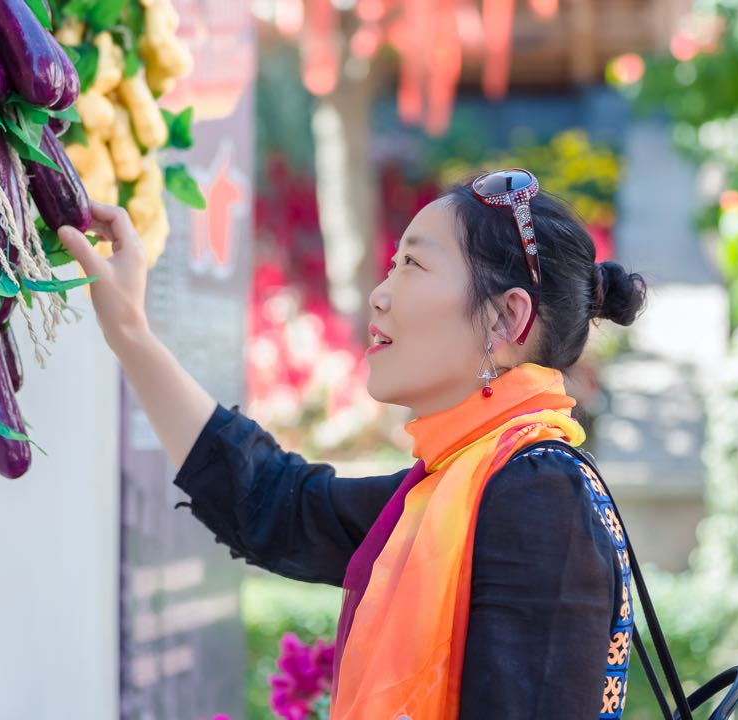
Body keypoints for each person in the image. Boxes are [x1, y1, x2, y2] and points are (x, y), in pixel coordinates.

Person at [58, 169, 648, 719]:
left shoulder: (538, 495)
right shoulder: (459, 484)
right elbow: (276, 503)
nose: (379, 295)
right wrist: (130, 333)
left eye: (413, 265)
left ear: (504, 320)